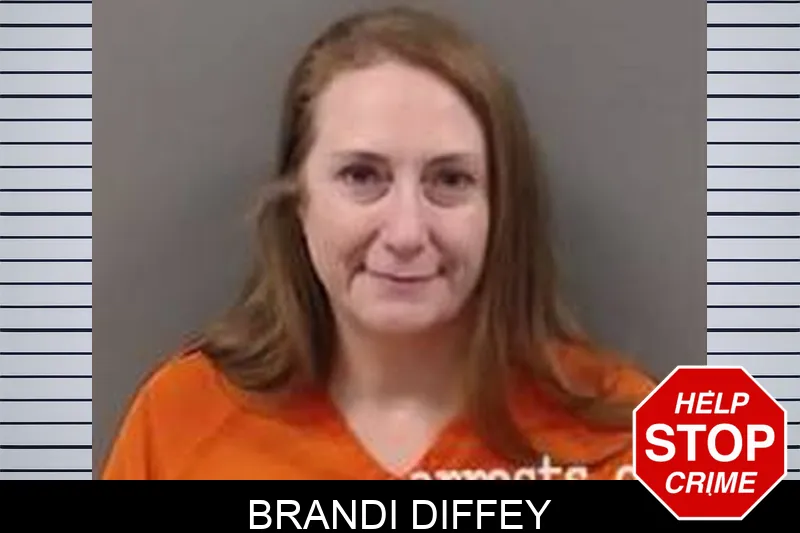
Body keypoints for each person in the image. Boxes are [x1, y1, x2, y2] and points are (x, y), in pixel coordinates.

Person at [101, 5, 654, 480]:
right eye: (362, 176)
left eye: (450, 179)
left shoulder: (632, 430)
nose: (406, 233)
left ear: (501, 207)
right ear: (299, 202)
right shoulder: (180, 419)